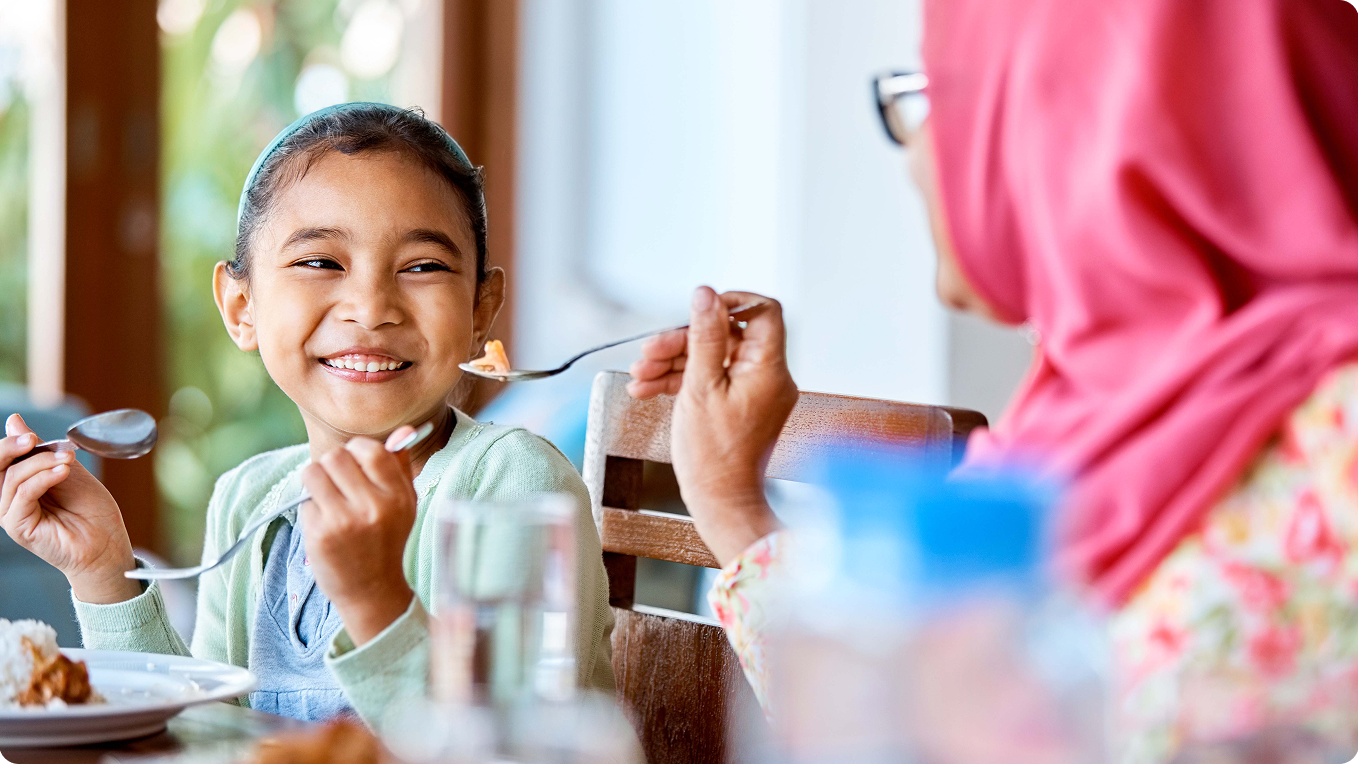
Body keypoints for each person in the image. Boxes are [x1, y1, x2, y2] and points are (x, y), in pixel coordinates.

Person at [629, 0, 1358, 760]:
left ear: (1077, 110)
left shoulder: (1338, 445)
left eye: (936, 93)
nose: (913, 147)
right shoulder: (1090, 400)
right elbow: (922, 723)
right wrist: (726, 493)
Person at [0, 103, 614, 725]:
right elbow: (202, 742)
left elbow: (512, 746)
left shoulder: (513, 488)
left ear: (482, 309)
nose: (371, 309)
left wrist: (377, 601)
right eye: (320, 262)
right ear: (241, 307)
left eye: (423, 266)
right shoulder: (248, 500)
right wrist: (105, 574)